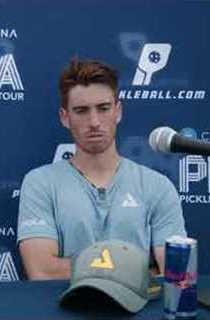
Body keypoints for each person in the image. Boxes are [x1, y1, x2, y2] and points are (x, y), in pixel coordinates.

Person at [17, 58, 186, 280]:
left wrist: (85, 269)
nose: (94, 121)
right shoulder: (40, 183)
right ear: (65, 118)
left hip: (138, 312)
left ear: (118, 111)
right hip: (64, 310)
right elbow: (42, 271)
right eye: (81, 111)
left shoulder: (157, 186)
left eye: (103, 108)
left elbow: (174, 274)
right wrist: (141, 272)